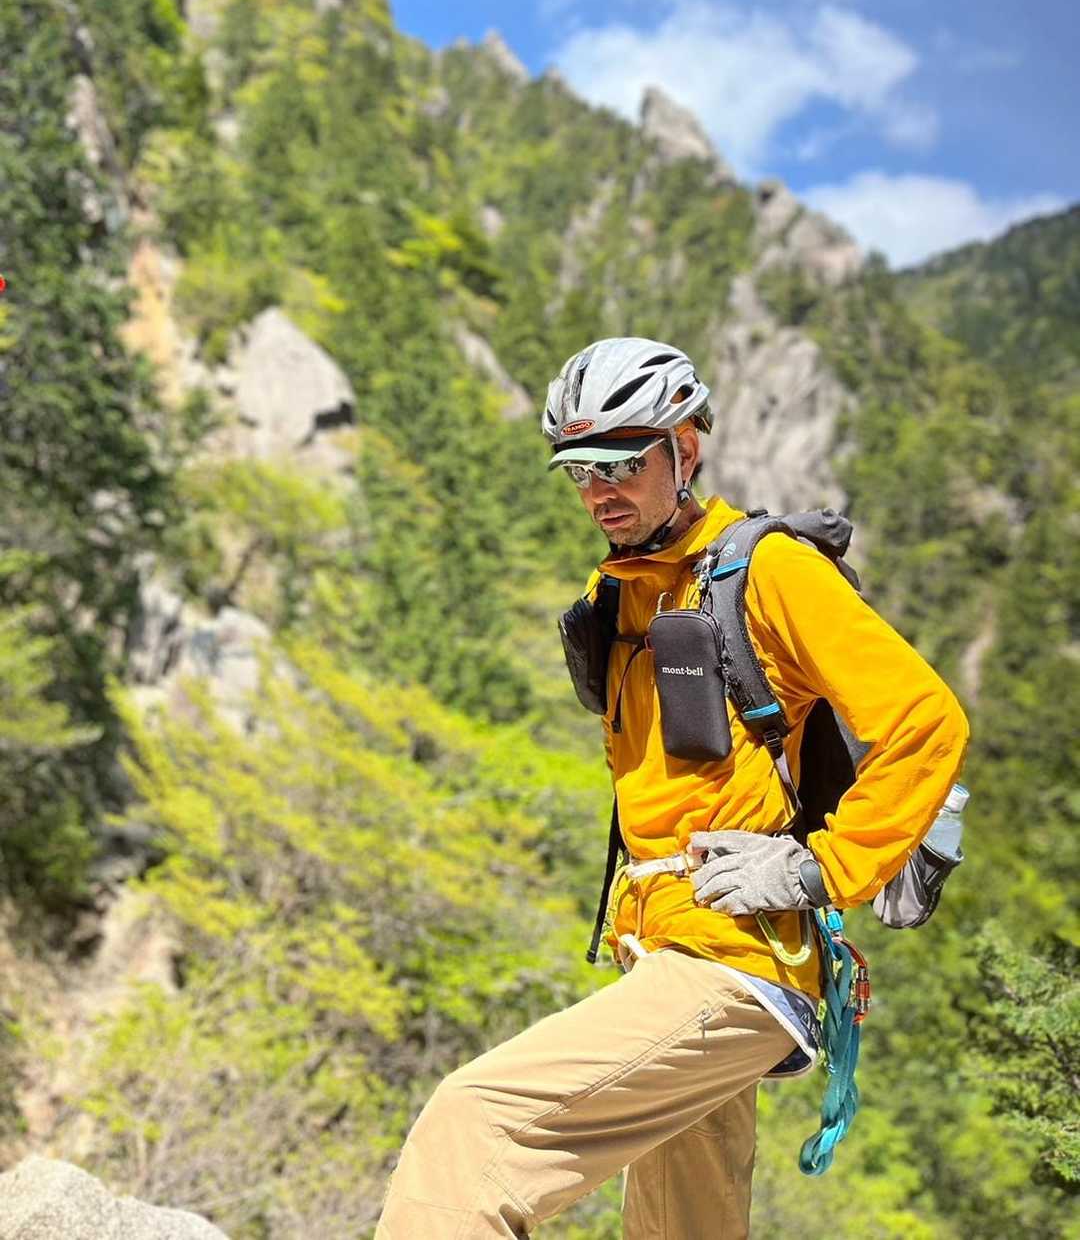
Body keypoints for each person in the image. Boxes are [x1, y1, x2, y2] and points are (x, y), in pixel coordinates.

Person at [375, 336, 969, 1239]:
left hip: (733, 960)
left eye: (623, 463)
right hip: (666, 952)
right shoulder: (622, 591)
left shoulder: (770, 571)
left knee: (474, 1129)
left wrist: (820, 869)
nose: (599, 491)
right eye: (580, 470)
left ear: (684, 449)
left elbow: (927, 720)